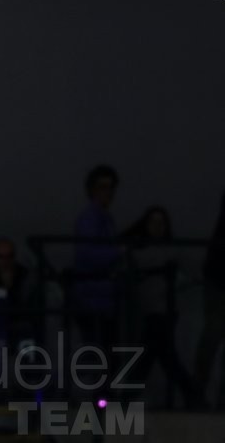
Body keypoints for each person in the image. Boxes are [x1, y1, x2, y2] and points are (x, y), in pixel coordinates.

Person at [122, 206, 200, 407]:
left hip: (164, 311)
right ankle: (192, 395)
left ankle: (126, 398)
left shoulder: (172, 250)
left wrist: (174, 287)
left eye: (161, 223)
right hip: (147, 311)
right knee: (162, 357)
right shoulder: (137, 250)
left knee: (150, 356)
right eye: (153, 222)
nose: (157, 227)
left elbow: (195, 274)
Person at [72, 165, 120, 358]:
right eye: (103, 187)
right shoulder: (91, 218)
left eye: (111, 187)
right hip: (93, 296)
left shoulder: (104, 218)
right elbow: (87, 254)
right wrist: (118, 252)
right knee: (101, 353)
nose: (108, 192)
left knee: (104, 353)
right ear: (91, 189)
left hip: (101, 296)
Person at [194, 192, 225, 409]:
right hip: (218, 279)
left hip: (217, 277)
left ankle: (202, 393)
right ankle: (200, 392)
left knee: (212, 337)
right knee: (213, 336)